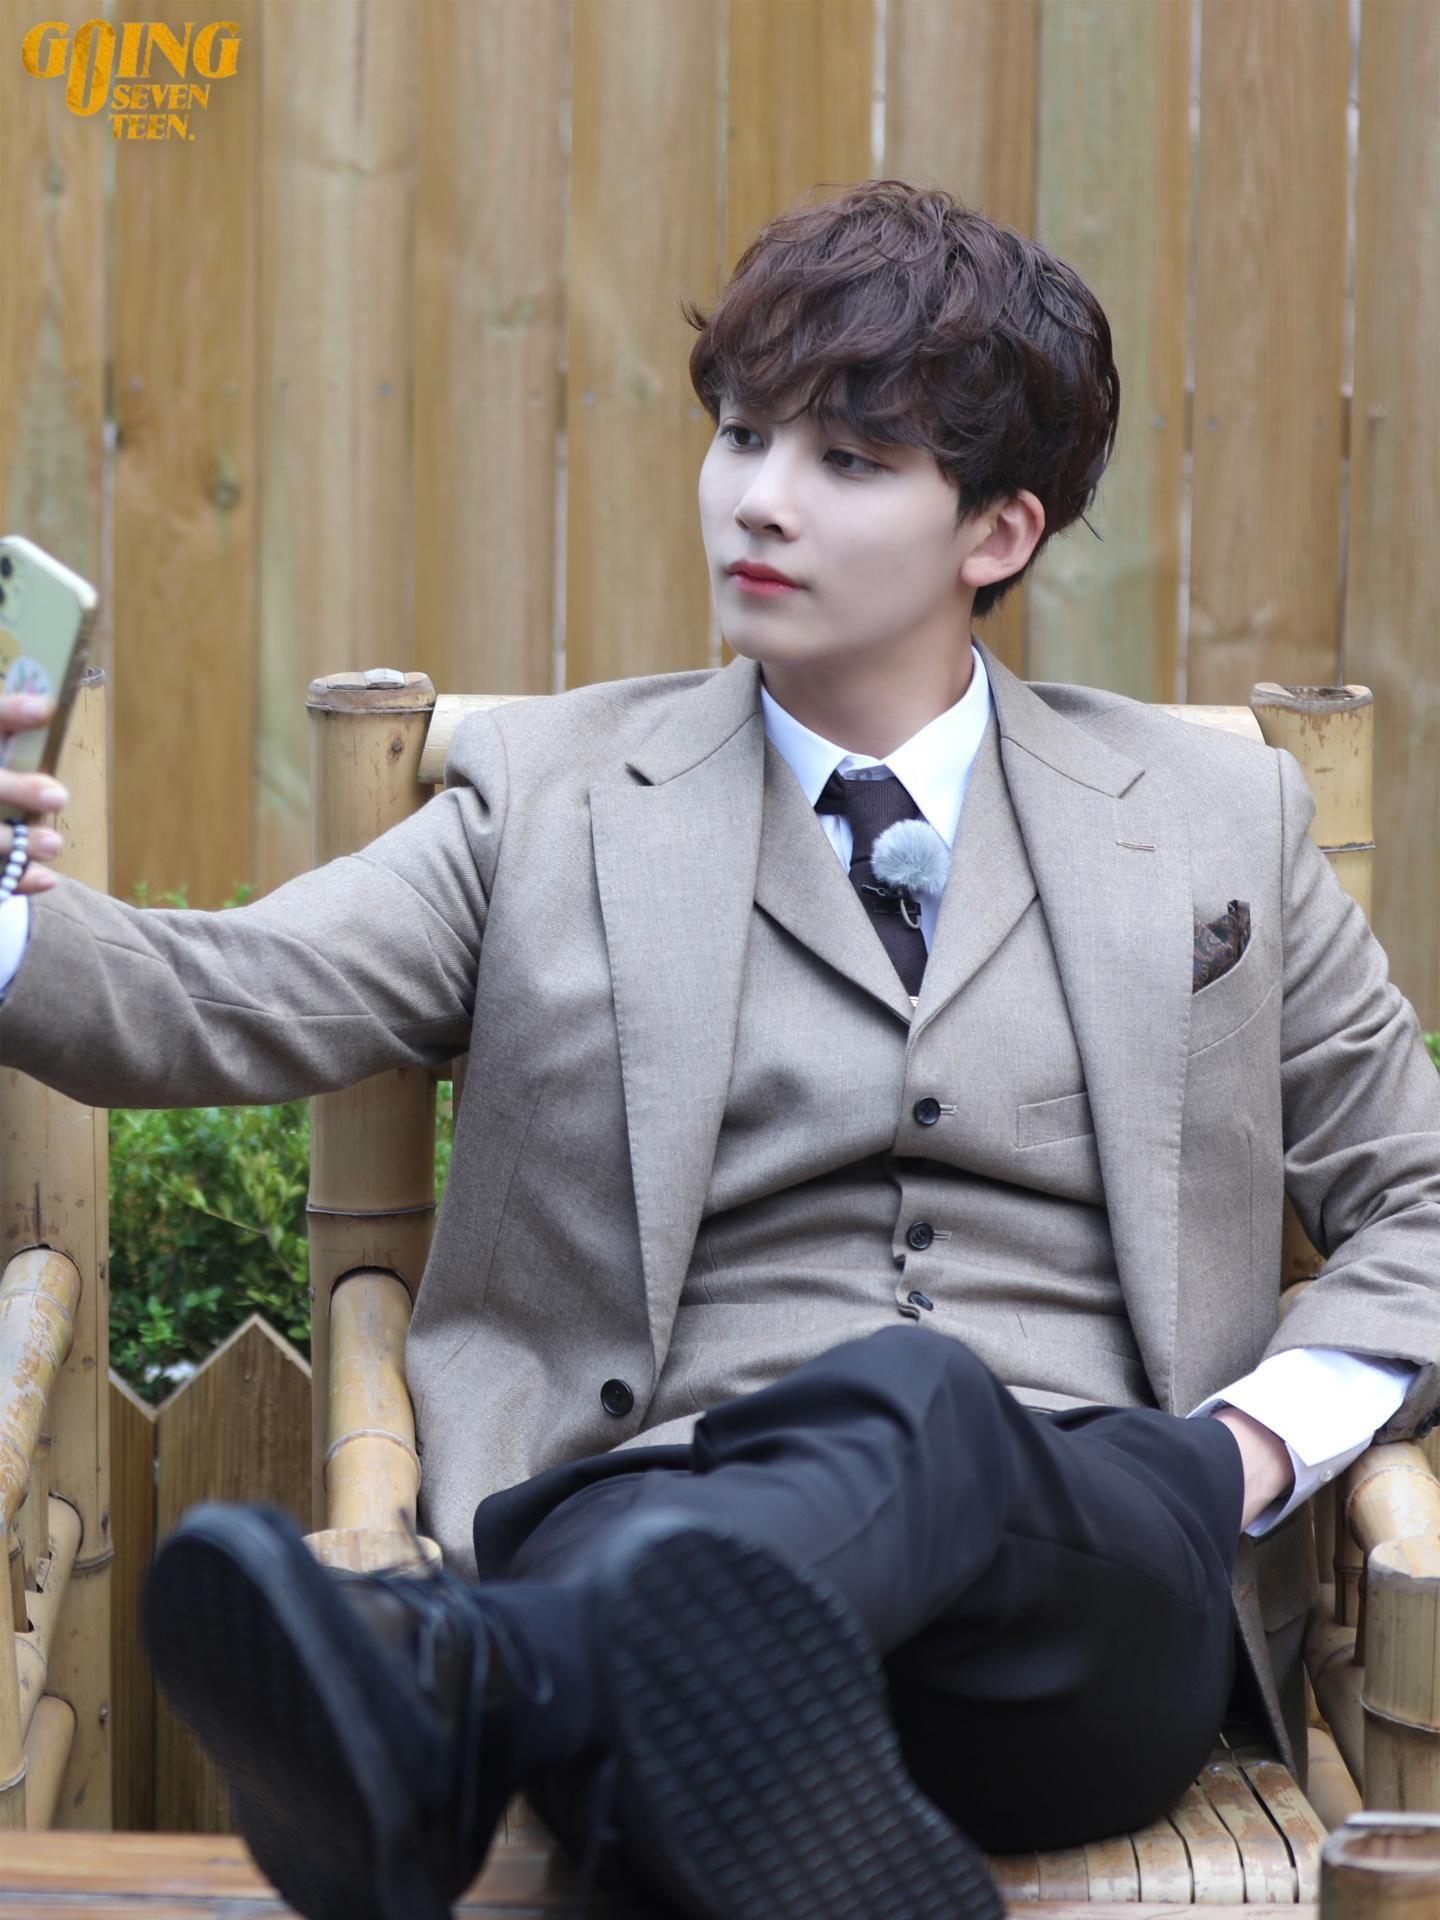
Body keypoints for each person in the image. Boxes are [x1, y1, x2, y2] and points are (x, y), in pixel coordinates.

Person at [2, 181, 1437, 1920]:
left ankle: (477, 1690)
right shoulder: (552, 802)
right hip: (646, 1494)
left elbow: (1422, 1198)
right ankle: (660, 1746)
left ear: (996, 533)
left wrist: (1243, 1452)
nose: (759, 497)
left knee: (925, 1402)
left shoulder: (1215, 820)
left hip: (1070, 1581)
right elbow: (220, 996)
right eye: (743, 434)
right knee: (686, 1650)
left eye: (849, 460)